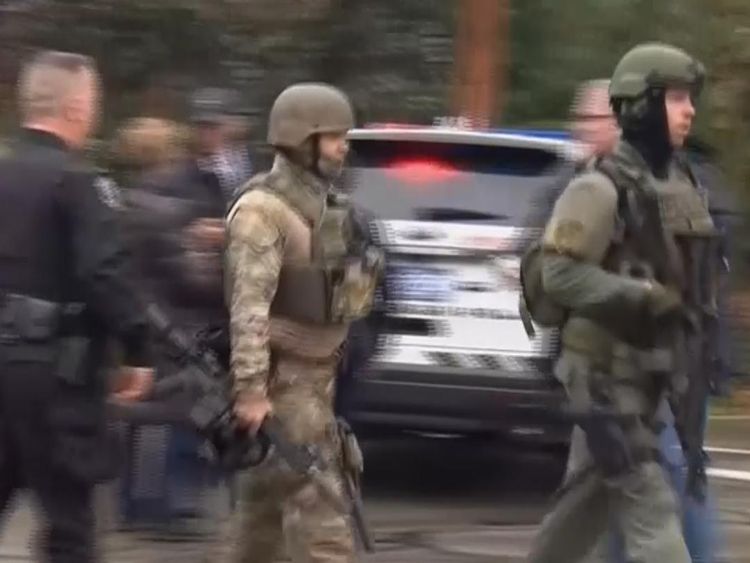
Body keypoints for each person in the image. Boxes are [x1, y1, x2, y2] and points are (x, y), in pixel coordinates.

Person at [524, 42, 715, 563]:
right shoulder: (598, 190)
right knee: (652, 515)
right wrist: (641, 297)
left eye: (689, 99)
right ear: (641, 106)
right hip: (604, 384)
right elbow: (558, 274)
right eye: (676, 98)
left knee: (577, 518)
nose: (690, 110)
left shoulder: (679, 187)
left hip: (648, 383)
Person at [0, 50, 153, 561]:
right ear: (77, 108)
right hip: (55, 381)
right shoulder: (80, 183)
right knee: (69, 528)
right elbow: (103, 273)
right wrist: (138, 348)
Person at [225, 83, 382, 562]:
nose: (344, 147)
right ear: (303, 139)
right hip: (284, 384)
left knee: (262, 527)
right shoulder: (262, 211)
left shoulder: (319, 205)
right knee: (325, 528)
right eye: (335, 137)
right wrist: (251, 389)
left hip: (315, 380)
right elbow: (249, 303)